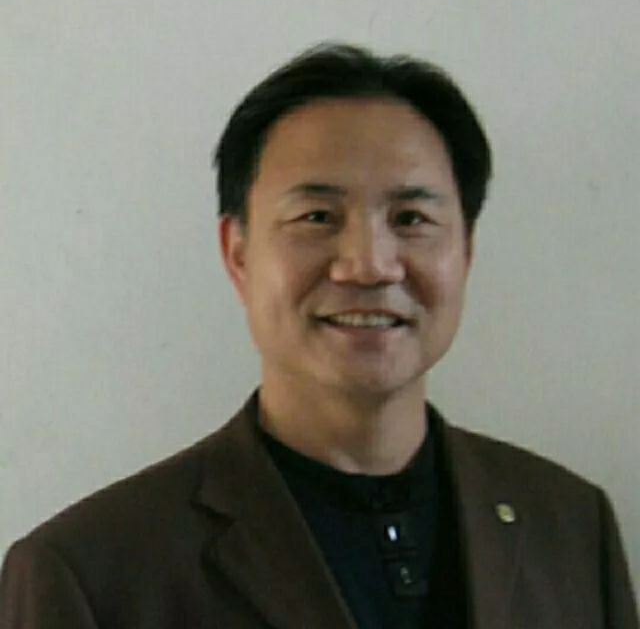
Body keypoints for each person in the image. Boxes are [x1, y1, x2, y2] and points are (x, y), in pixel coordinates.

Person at [0, 42, 637, 629]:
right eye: (317, 217)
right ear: (238, 254)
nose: (369, 265)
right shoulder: (90, 574)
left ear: (465, 251)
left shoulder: (572, 526)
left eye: (411, 218)